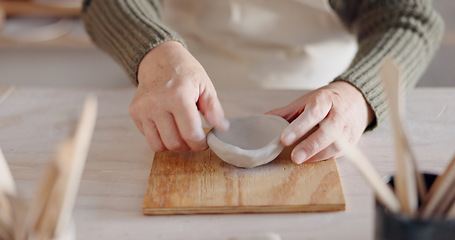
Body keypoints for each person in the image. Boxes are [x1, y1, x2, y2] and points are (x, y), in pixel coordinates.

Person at [81, 0, 443, 164]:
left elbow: (410, 19)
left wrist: (358, 94)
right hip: (175, 91)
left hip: (316, 102)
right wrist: (154, 52)